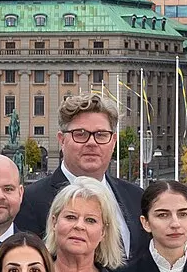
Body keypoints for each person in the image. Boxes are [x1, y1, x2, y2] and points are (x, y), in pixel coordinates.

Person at [16, 93, 150, 258]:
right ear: (62, 140)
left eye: (101, 135)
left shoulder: (136, 197)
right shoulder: (30, 201)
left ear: (113, 141)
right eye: (80, 134)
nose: (92, 143)